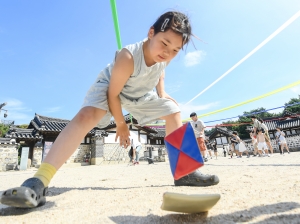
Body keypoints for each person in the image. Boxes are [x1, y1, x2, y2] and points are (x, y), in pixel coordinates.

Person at [0, 11, 219, 208]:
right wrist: (121, 125)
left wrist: (162, 92)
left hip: (139, 93)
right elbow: (114, 94)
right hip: (112, 86)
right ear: (151, 33)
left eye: (175, 50)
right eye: (164, 43)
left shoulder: (166, 56)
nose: (168, 52)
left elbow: (161, 71)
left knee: (173, 110)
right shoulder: (128, 56)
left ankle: (185, 172)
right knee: (87, 116)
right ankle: (39, 181)